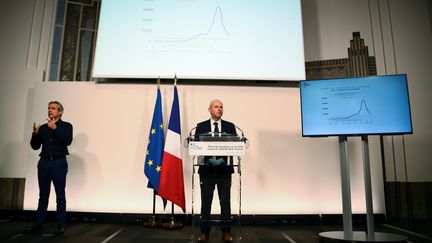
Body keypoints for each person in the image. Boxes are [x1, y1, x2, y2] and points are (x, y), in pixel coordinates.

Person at [25, 101, 73, 236]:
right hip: (44, 163)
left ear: (60, 112)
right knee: (43, 195)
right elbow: (35, 146)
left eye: (53, 108)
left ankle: (60, 225)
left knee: (60, 195)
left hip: (59, 163)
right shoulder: (43, 128)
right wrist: (35, 134)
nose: (50, 110)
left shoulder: (66, 126)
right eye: (48, 108)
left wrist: (55, 129)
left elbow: (67, 141)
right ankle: (38, 224)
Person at [194, 99, 237, 243]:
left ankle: (226, 232)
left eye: (221, 107)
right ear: (209, 109)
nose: (219, 109)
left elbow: (235, 145)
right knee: (206, 202)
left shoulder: (230, 127)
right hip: (207, 170)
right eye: (216, 107)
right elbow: (196, 147)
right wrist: (207, 160)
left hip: (224, 170)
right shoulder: (201, 126)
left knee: (225, 203)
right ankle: (204, 232)